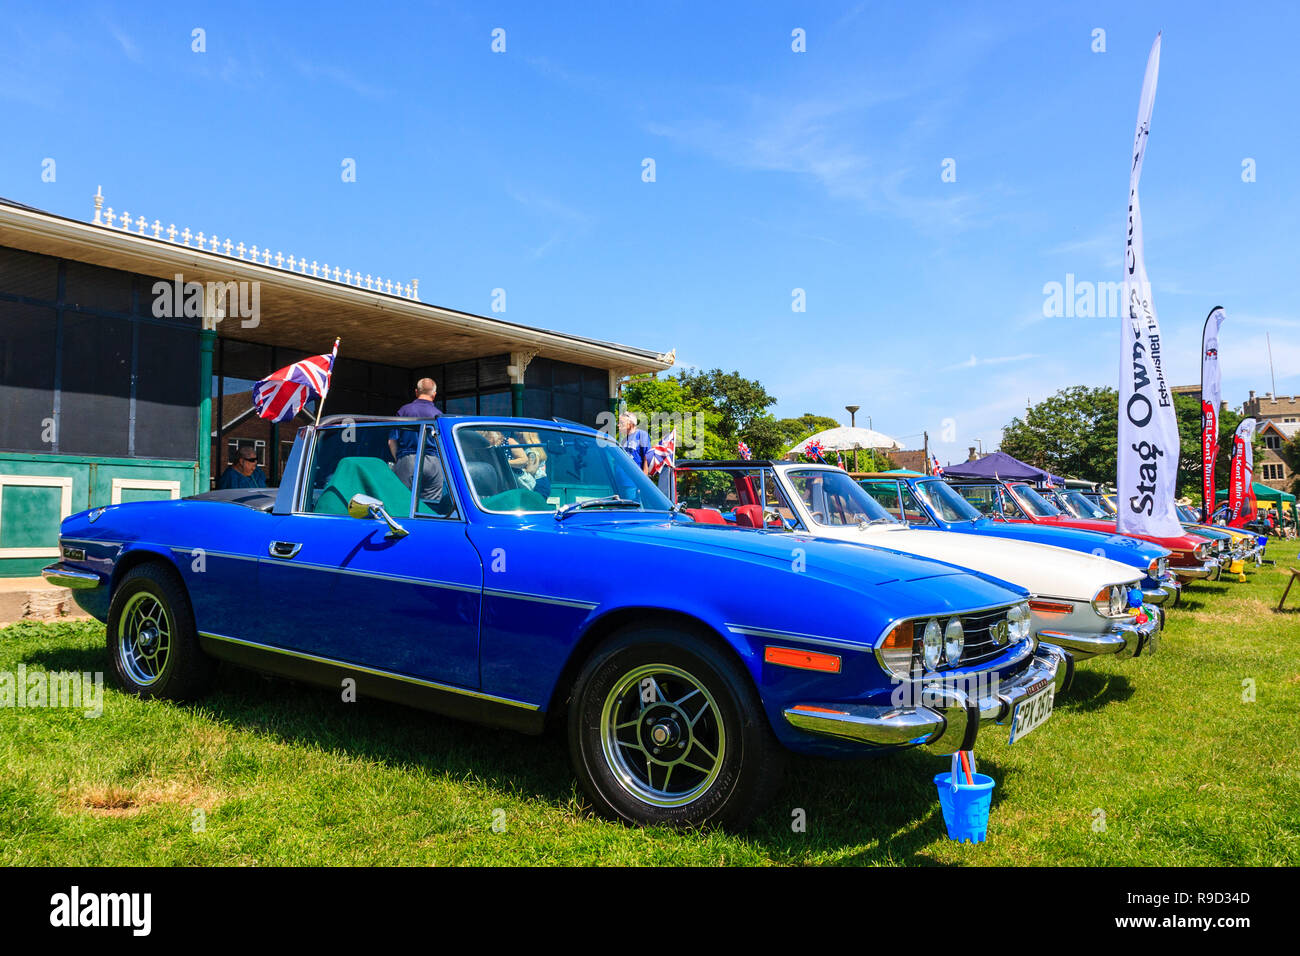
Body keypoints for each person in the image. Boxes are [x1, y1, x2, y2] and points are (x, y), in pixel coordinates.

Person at [390, 378, 445, 504]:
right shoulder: (439, 415)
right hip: (434, 462)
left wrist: (398, 460)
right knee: (431, 508)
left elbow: (392, 441)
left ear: (416, 392)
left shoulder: (404, 411)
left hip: (408, 460)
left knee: (402, 503)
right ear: (434, 394)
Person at [618, 410, 651, 474]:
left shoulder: (641, 434)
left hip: (636, 477)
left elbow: (647, 457)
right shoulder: (624, 440)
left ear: (630, 423)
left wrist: (644, 478)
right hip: (624, 477)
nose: (618, 425)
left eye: (621, 422)